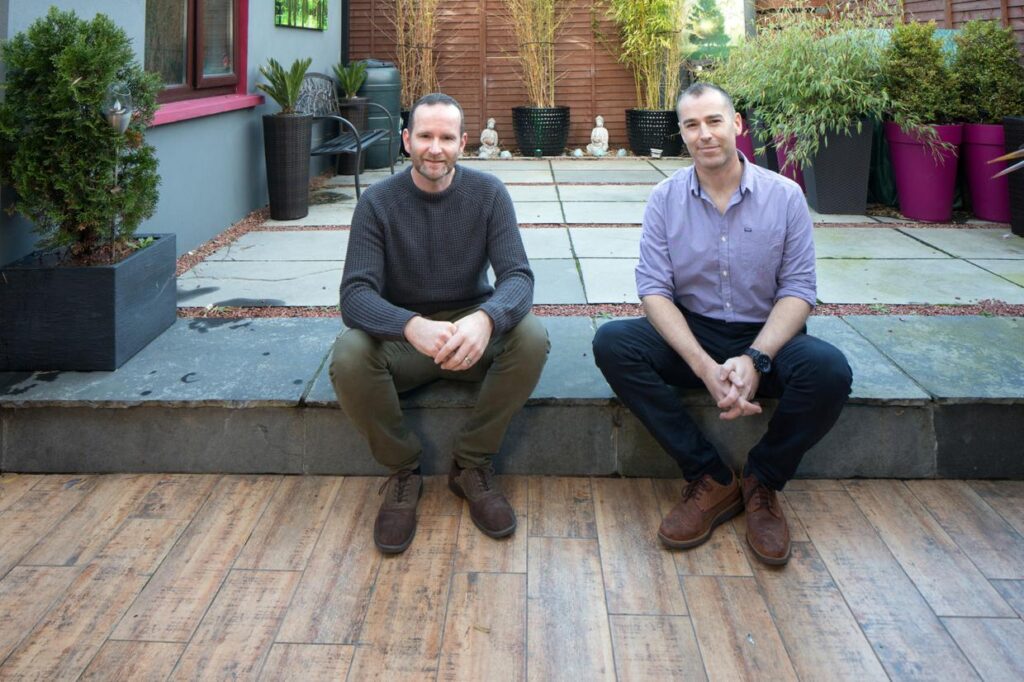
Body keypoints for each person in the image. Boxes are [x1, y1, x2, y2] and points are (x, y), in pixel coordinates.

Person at [592, 83, 852, 566]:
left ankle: (762, 480)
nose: (704, 134)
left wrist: (757, 359)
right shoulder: (664, 199)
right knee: (613, 343)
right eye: (692, 125)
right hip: (695, 330)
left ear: (737, 125)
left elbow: (799, 290)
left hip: (768, 331)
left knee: (829, 370)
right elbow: (653, 290)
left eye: (714, 121)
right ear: (682, 134)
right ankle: (710, 476)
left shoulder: (786, 196)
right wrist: (704, 367)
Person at [330, 93, 549, 554]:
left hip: (469, 335)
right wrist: (409, 325)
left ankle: (470, 465)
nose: (435, 147)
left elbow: (518, 277)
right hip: (405, 341)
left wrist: (486, 319)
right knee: (349, 353)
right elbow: (355, 296)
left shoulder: (488, 194)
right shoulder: (377, 203)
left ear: (463, 143)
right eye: (425, 136)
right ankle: (404, 470)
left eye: (446, 137)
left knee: (531, 336)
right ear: (406, 140)